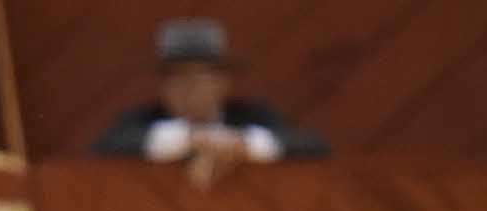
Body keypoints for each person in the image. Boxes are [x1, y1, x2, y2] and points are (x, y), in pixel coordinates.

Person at [91, 18, 328, 189]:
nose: (189, 89)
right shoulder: (142, 118)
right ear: (163, 88)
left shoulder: (253, 115)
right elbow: (103, 147)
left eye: (199, 78)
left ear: (223, 82)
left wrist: (242, 145)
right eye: (177, 79)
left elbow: (314, 145)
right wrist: (189, 139)